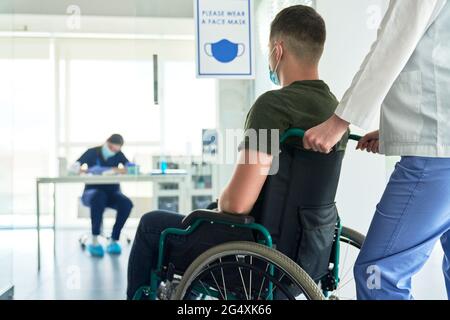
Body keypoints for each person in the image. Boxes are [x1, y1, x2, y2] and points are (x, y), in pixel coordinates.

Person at [126, 5, 348, 299]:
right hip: (309, 253)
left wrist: (221, 204)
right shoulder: (335, 113)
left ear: (277, 50)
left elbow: (238, 204)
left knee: (152, 226)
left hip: (256, 255)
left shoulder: (273, 106)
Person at [303, 0, 450, 299]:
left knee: (378, 274)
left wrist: (338, 123)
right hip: (439, 140)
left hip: (437, 155)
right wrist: (400, 130)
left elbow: (395, 41)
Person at [75, 134, 133, 257]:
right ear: (107, 142)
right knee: (99, 197)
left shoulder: (119, 154)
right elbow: (75, 167)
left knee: (126, 204)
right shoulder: (92, 152)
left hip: (112, 193)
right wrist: (88, 171)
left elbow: (129, 168)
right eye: (111, 148)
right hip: (92, 194)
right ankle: (95, 241)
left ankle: (114, 239)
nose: (113, 151)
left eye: (116, 149)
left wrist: (114, 170)